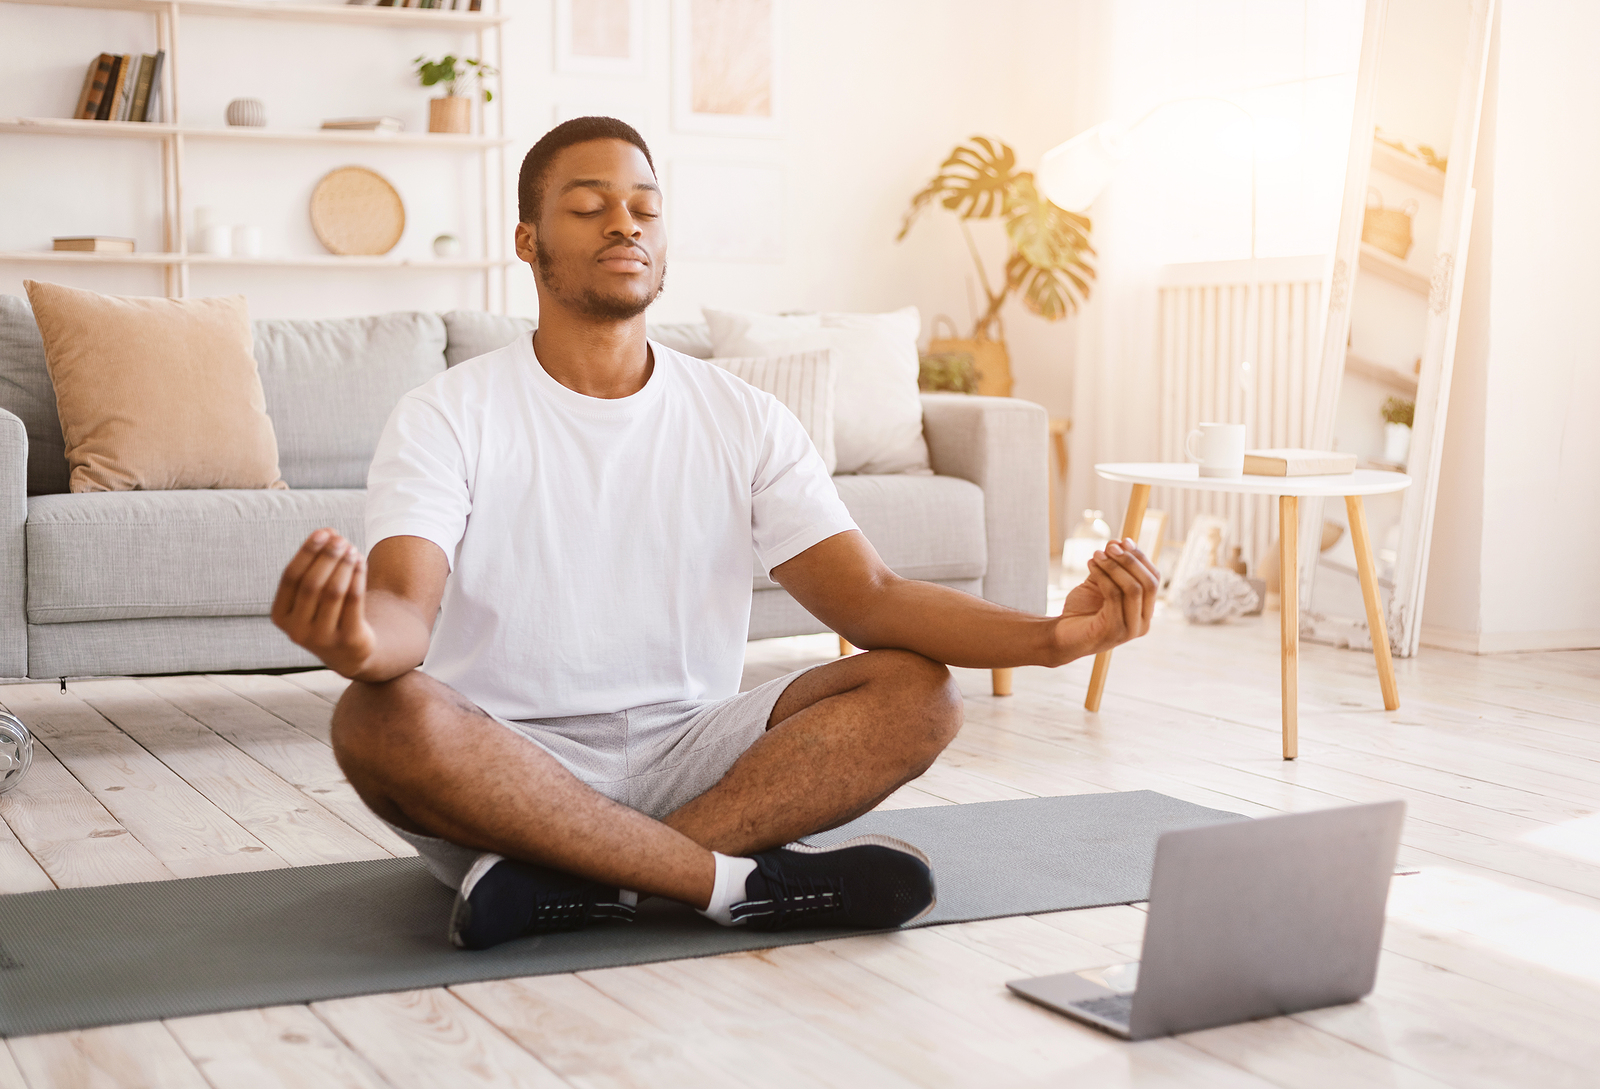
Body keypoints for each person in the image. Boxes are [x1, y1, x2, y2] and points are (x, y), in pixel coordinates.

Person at [271, 117, 1160, 951]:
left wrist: (1051, 638)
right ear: (528, 241)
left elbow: (870, 597)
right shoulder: (447, 414)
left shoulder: (743, 415)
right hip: (509, 769)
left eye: (645, 208)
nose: (625, 223)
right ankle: (729, 886)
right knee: (378, 716)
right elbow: (402, 613)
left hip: (696, 753)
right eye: (588, 206)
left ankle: (582, 885)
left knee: (920, 693)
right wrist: (357, 639)